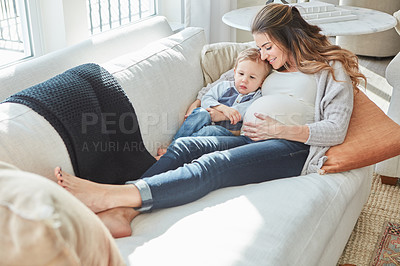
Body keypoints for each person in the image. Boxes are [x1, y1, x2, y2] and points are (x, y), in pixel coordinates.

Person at [55, 3, 366, 238]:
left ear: (289, 36)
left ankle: (113, 196)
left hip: (290, 147)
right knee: (189, 145)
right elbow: (222, 83)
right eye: (259, 48)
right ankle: (123, 210)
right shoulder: (273, 66)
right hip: (248, 135)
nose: (264, 54)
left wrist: (280, 129)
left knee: (215, 166)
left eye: (268, 46)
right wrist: (208, 104)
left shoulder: (330, 66)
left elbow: (336, 129)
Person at [173, 48, 270, 139]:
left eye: (252, 77)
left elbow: (246, 111)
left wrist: (224, 115)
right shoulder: (224, 86)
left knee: (209, 131)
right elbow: (206, 98)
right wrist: (222, 108)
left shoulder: (257, 97)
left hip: (228, 133)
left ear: (262, 82)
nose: (244, 80)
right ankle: (175, 143)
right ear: (235, 73)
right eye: (241, 74)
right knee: (201, 113)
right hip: (209, 121)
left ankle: (177, 149)